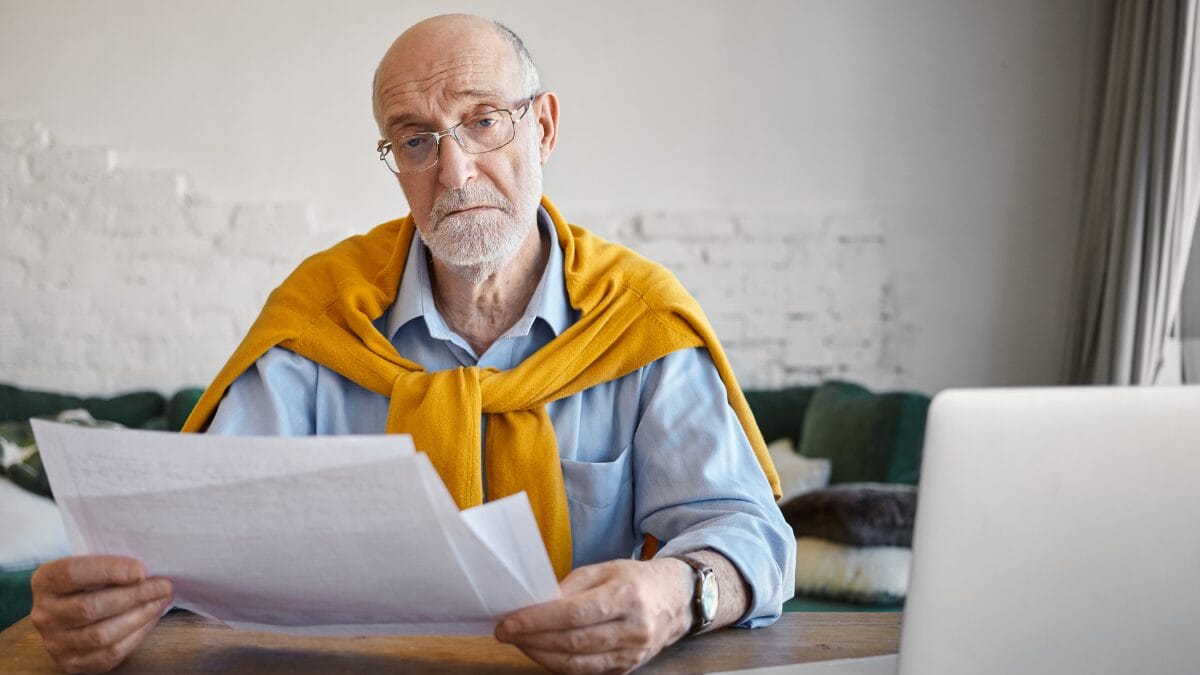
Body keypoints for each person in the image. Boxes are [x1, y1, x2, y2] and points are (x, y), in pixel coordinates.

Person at [30, 14, 795, 674]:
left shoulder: (638, 321)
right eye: (417, 139)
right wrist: (104, 601)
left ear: (546, 128)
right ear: (394, 159)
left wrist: (679, 594)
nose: (455, 170)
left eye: (484, 120)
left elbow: (747, 532)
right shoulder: (319, 319)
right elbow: (195, 541)